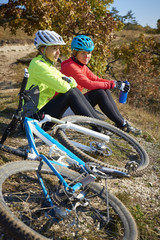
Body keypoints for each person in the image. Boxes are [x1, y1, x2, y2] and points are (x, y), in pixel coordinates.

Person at [61, 35, 141, 135]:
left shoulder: (81, 65)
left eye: (89, 52)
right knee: (99, 93)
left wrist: (116, 83)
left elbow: (96, 79)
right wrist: (114, 84)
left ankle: (122, 123)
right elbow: (89, 84)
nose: (87, 56)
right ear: (75, 53)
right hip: (64, 110)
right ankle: (122, 125)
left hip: (74, 104)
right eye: (83, 53)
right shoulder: (70, 66)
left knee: (104, 90)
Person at [22, 30, 102, 129]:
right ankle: (98, 127)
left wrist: (69, 82)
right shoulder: (38, 65)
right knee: (69, 92)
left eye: (59, 49)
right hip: (32, 121)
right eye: (54, 49)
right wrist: (69, 82)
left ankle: (99, 124)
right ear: (43, 50)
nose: (58, 53)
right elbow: (63, 87)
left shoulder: (47, 64)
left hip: (40, 116)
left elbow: (69, 80)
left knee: (73, 90)